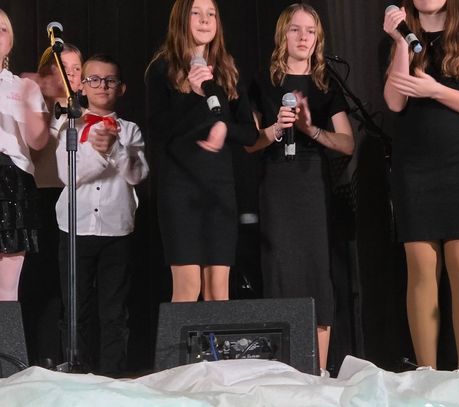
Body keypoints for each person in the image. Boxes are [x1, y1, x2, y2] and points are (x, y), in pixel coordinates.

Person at [383, 0, 459, 371]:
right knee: (420, 269)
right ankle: (426, 373)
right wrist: (399, 42)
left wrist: (435, 90)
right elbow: (394, 102)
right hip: (414, 167)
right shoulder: (401, 40)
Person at [247, 3, 354, 372]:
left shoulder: (326, 84)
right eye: (295, 29)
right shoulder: (263, 82)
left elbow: (347, 143)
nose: (303, 37)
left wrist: (311, 130)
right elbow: (249, 143)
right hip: (277, 181)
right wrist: (277, 128)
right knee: (280, 269)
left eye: (311, 31)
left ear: (318, 38)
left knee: (315, 271)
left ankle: (318, 371)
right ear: (283, 35)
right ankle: (283, 368)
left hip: (313, 184)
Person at [146, 0, 258, 302]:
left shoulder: (227, 70)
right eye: (196, 13)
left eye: (211, 14)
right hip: (180, 189)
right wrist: (191, 96)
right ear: (182, 19)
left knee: (218, 290)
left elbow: (249, 133)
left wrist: (224, 128)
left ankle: (217, 339)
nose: (205, 20)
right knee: (188, 286)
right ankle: (178, 338)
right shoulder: (162, 68)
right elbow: (157, 130)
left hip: (219, 190)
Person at [55, 54, 149, 375]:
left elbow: (137, 174)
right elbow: (68, 175)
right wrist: (100, 153)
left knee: (114, 312)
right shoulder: (69, 126)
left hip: (116, 231)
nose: (102, 86)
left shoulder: (131, 130)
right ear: (82, 86)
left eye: (110, 80)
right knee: (75, 310)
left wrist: (115, 148)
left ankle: (113, 376)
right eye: (93, 79)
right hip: (75, 229)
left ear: (121, 88)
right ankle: (77, 374)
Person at [19, 43, 84, 368]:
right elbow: (35, 149)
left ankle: (71, 357)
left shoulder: (85, 113)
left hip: (79, 202)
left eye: (76, 69)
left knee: (70, 285)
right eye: (63, 68)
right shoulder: (37, 109)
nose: (70, 75)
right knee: (41, 284)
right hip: (42, 197)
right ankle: (40, 357)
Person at [0, 9, 50, 301]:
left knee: (7, 287)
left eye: (3, 29)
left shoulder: (20, 87)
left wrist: (28, 105)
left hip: (11, 179)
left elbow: (38, 141)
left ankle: (6, 332)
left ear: (11, 42)